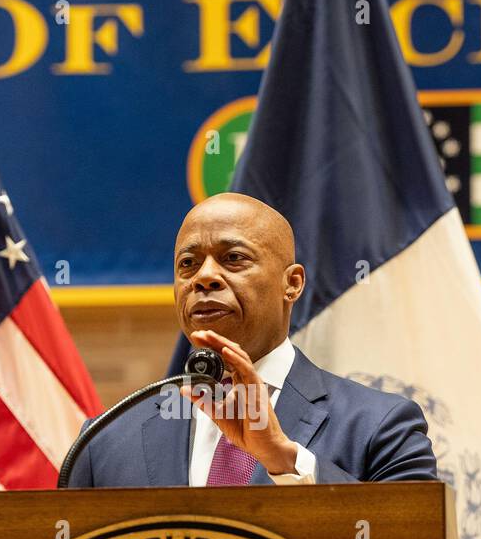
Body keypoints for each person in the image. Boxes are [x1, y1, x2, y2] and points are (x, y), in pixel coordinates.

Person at [65, 193, 436, 487]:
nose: (204, 277)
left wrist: (284, 460)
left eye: (234, 258)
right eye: (188, 264)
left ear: (292, 284)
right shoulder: (105, 439)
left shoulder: (381, 426)